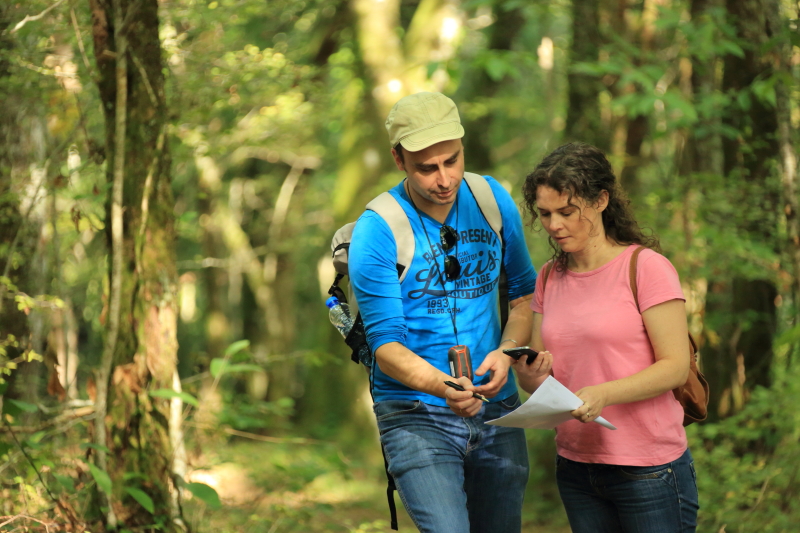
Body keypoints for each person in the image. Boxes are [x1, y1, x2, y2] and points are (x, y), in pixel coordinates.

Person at [348, 92, 552, 533]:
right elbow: (385, 346)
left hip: (497, 406)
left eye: (452, 160)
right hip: (415, 412)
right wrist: (444, 388)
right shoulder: (378, 230)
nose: (444, 179)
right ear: (399, 160)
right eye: (427, 167)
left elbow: (521, 294)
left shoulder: (491, 199)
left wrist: (507, 351)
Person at [515, 142, 699, 532]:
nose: (554, 225)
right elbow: (539, 378)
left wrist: (604, 393)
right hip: (577, 466)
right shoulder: (549, 276)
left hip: (648, 468)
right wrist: (531, 376)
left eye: (566, 212)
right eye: (545, 214)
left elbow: (676, 367)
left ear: (601, 201)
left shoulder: (646, 268)